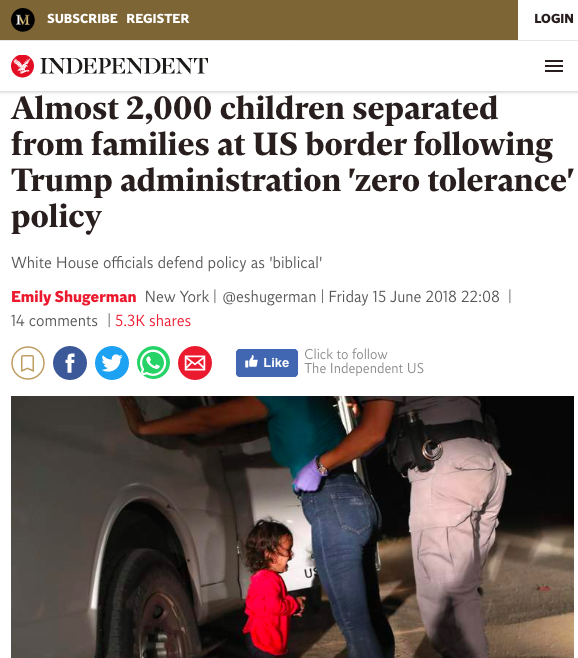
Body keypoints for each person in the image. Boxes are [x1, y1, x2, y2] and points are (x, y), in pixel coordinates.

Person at [119, 396, 395, 658]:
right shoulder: (304, 397)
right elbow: (248, 430)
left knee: (354, 622)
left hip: (331, 500)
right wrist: (201, 442)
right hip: (354, 498)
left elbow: (209, 417)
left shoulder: (280, 391)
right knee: (369, 614)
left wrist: (144, 426)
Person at [299, 396, 510, 658]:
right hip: (484, 463)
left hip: (446, 468)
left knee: (446, 611)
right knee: (463, 594)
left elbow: (372, 431)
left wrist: (320, 465)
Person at [243, 519, 305, 657]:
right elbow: (273, 606)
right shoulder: (268, 579)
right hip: (264, 641)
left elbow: (268, 606)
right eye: (288, 549)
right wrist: (294, 604)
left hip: (263, 638)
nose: (290, 555)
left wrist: (291, 609)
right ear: (269, 554)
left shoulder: (265, 577)